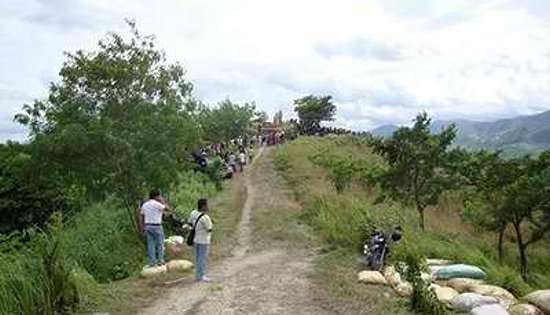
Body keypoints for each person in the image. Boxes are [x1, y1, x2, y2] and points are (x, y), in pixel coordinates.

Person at [140, 189, 172, 267]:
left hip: (148, 226)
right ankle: (160, 260)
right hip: (157, 226)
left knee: (151, 244)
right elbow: (168, 209)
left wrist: (143, 227)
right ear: (156, 196)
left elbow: (142, 216)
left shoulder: (145, 205)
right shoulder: (157, 204)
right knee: (160, 243)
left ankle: (152, 262)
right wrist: (162, 201)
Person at [188, 198, 213, 282]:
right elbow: (209, 229)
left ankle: (198, 275)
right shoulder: (205, 217)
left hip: (196, 239)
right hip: (204, 240)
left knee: (198, 257)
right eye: (207, 205)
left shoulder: (193, 213)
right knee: (202, 258)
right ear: (203, 206)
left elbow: (190, 223)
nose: (208, 207)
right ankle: (201, 276)